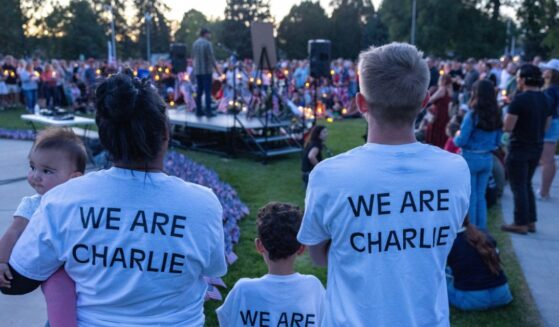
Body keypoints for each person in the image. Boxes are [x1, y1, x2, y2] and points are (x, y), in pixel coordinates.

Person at [1, 72, 227, 326]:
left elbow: (16, 282)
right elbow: (213, 268)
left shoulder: (61, 200)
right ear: (165, 133)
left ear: (105, 138)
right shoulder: (203, 204)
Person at [297, 43, 471, 326]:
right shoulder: (454, 170)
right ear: (425, 100)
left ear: (361, 103)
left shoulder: (329, 176)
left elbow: (318, 256)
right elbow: (443, 241)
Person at [0, 128, 87, 326]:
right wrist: (1, 261)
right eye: (32, 167)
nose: (35, 175)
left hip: (82, 267)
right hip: (55, 270)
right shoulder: (32, 204)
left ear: (74, 178)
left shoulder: (80, 204)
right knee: (60, 303)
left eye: (46, 171)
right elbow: (13, 232)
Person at [216, 202, 325, 326]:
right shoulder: (313, 288)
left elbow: (226, 321)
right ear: (301, 248)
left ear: (259, 245)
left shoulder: (243, 290)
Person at [502, 64, 552, 234]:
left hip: (519, 147)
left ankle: (520, 222)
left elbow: (508, 127)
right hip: (536, 146)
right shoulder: (546, 99)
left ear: (522, 79)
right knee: (527, 184)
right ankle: (531, 220)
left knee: (518, 186)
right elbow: (547, 125)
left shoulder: (520, 100)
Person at [453, 80, 503, 230]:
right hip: (487, 158)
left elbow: (461, 141)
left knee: (472, 197)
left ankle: (472, 231)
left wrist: (456, 135)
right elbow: (497, 141)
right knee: (481, 196)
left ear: (475, 93)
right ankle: (482, 229)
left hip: (470, 158)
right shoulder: (497, 114)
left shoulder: (472, 115)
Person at [446, 217, 513, 311]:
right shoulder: (483, 232)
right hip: (503, 294)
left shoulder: (449, 240)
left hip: (472, 299)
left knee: (443, 278)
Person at [538, 59, 559, 199]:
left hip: (550, 125)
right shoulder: (554, 89)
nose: (543, 71)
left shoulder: (550, 90)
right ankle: (545, 191)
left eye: (547, 69)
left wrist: (543, 130)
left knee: (547, 159)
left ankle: (544, 192)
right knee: (548, 159)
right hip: (554, 123)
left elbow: (548, 113)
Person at [192, 28, 220, 117]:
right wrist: (217, 70)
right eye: (209, 34)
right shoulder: (207, 44)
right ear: (205, 34)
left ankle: (198, 111)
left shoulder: (195, 43)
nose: (210, 36)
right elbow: (211, 57)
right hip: (206, 71)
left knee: (199, 91)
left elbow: (193, 57)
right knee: (208, 91)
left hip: (198, 71)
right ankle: (208, 112)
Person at [425, 74, 453, 148]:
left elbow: (431, 99)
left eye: (440, 79)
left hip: (438, 113)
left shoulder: (442, 89)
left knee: (436, 128)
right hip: (445, 112)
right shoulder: (449, 89)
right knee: (442, 129)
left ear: (443, 81)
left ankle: (434, 145)